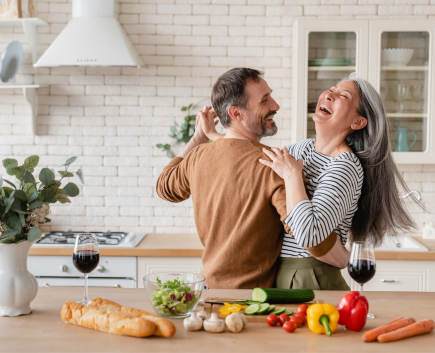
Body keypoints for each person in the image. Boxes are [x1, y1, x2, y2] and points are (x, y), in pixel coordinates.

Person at [201, 72, 420, 290]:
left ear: (358, 121)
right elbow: (255, 160)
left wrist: (293, 176)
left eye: (343, 96)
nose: (328, 95)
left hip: (312, 276)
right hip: (279, 274)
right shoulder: (301, 149)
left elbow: (309, 234)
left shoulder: (345, 166)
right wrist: (213, 135)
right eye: (331, 89)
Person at [156, 68, 344, 289]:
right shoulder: (275, 165)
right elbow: (309, 236)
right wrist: (348, 259)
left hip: (207, 292)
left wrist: (197, 138)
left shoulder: (198, 156)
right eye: (265, 101)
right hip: (250, 301)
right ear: (236, 114)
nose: (275, 105)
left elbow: (164, 186)